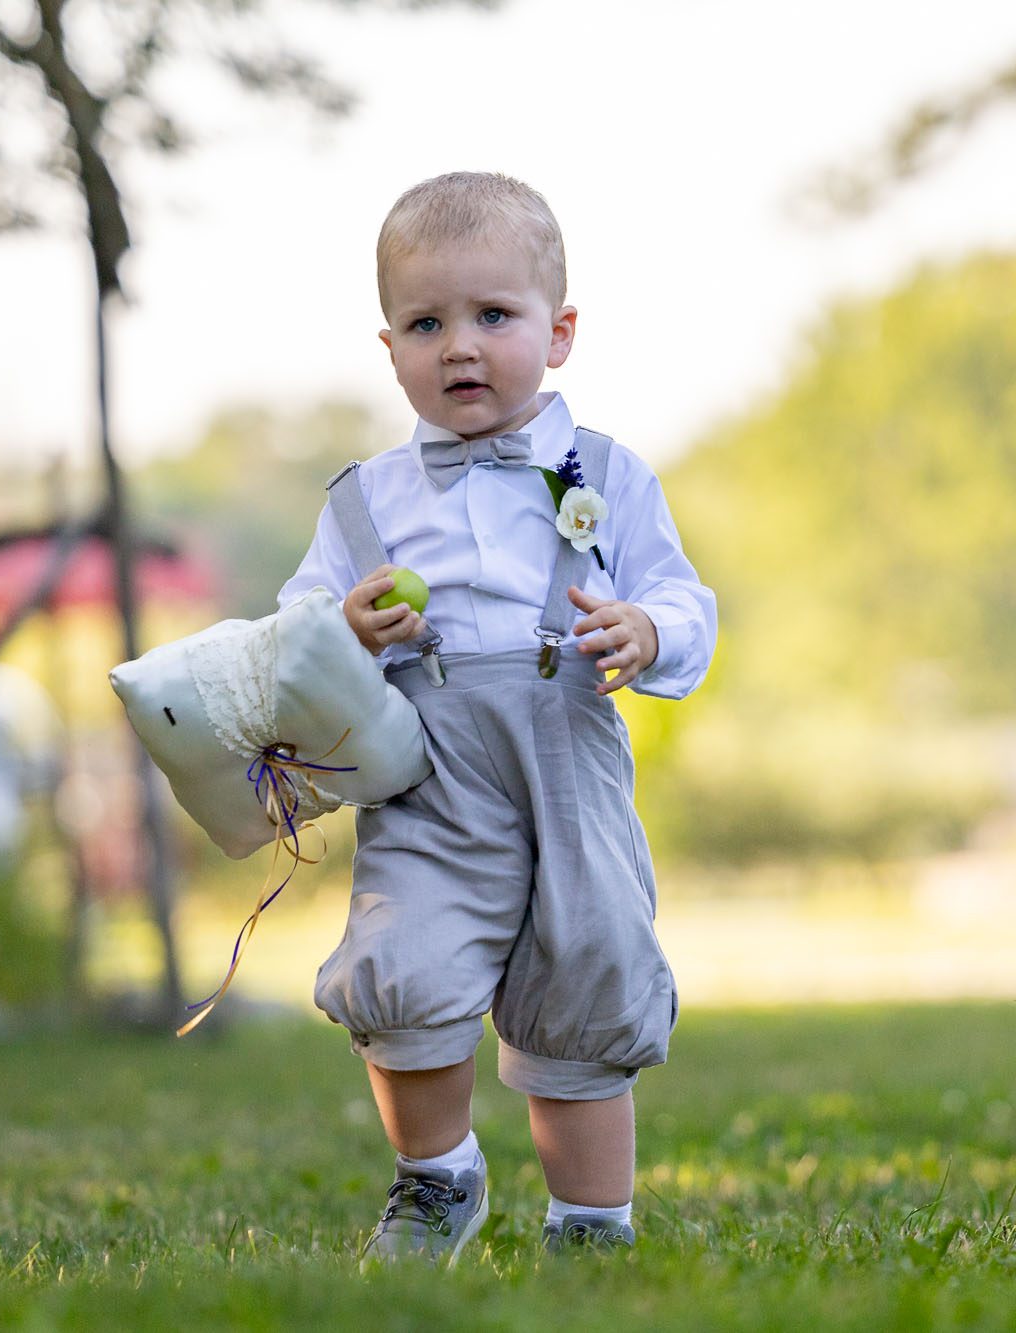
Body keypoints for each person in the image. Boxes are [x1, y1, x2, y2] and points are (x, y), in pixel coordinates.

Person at [277, 171, 717, 1265]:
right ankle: (437, 1178)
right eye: (426, 324)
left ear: (558, 332)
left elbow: (682, 597)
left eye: (492, 317)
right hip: (429, 773)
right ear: (389, 350)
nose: (459, 347)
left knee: (586, 969)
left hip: (564, 762)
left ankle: (590, 1223)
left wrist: (645, 633)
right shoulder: (365, 500)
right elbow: (293, 632)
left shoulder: (606, 475)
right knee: (405, 964)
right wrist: (344, 628)